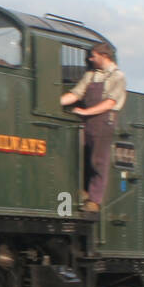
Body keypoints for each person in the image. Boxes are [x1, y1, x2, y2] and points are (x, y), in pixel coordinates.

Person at [60, 42, 126, 213]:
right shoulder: (91, 75)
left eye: (93, 55)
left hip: (104, 120)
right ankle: (81, 190)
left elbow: (109, 103)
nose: (90, 58)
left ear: (104, 56)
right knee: (80, 153)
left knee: (98, 161)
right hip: (88, 121)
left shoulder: (118, 77)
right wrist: (57, 102)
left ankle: (94, 200)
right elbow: (76, 93)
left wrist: (85, 111)